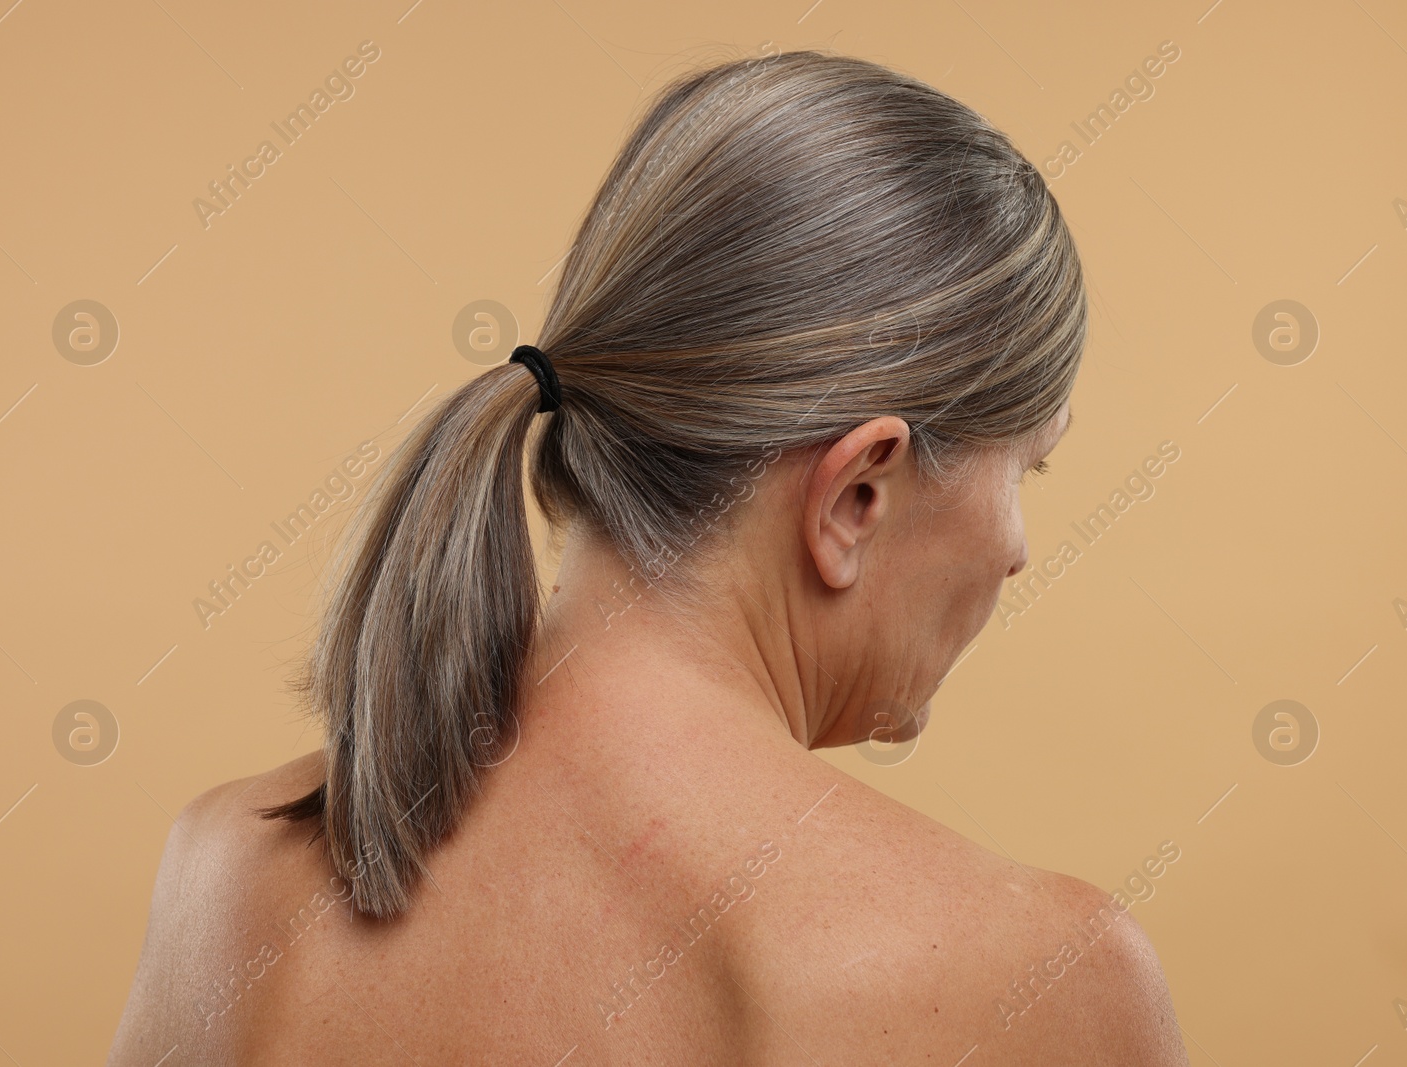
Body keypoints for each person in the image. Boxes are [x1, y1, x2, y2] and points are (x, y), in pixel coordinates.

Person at [108, 49, 1188, 1065]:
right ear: (857, 493)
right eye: (1025, 473)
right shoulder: (1033, 975)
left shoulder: (230, 879)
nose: (1016, 549)